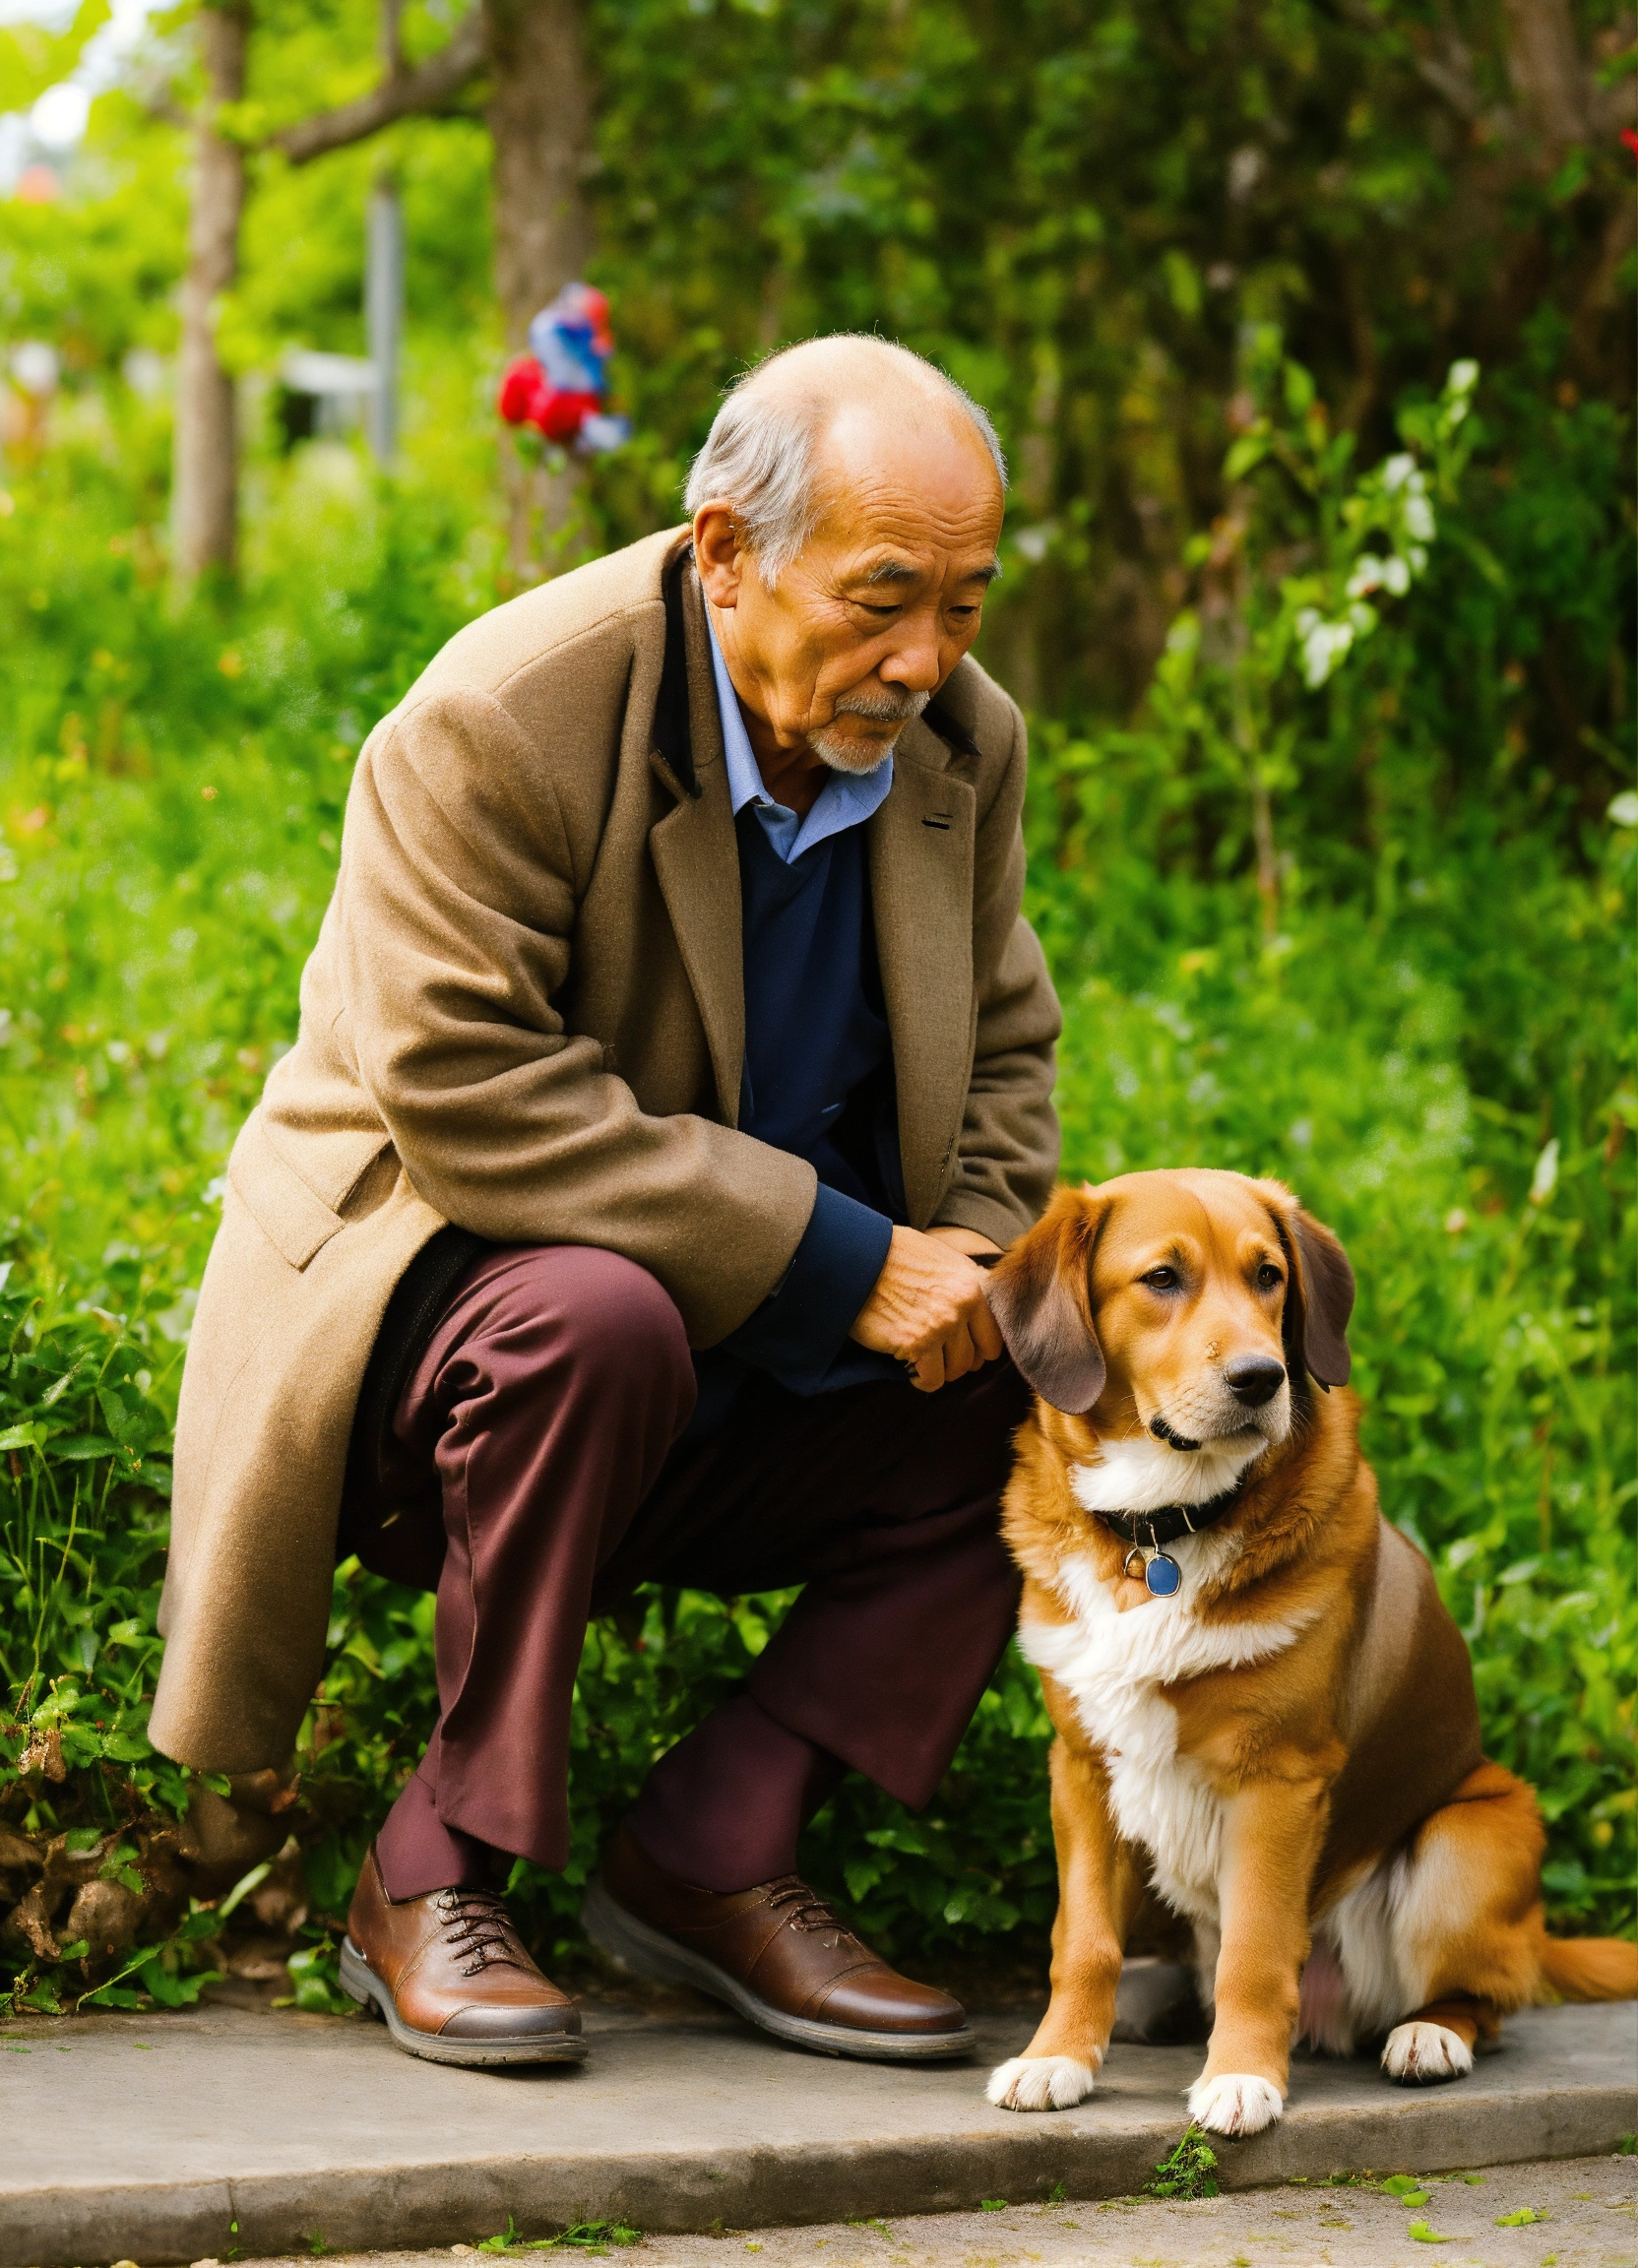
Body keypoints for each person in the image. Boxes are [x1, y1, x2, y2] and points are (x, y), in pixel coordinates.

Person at [151, 334, 1061, 2069]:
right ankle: (431, 1869)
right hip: (444, 1349)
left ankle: (715, 1847)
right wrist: (841, 1259)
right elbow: (467, 1095)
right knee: (599, 1313)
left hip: (761, 1357)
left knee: (1051, 1351)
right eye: (884, 600)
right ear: (725, 551)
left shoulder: (961, 739)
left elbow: (1005, 1040)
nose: (926, 657)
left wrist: (967, 1262)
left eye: (964, 602)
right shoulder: (507, 715)